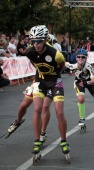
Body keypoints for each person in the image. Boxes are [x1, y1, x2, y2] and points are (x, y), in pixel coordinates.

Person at [23, 25, 70, 155]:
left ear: (45, 40)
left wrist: (54, 74)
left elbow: (62, 65)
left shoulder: (55, 53)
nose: (36, 44)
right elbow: (34, 62)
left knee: (59, 112)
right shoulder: (29, 52)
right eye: (33, 41)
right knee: (37, 109)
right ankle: (37, 140)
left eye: (39, 41)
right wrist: (40, 72)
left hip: (55, 81)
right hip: (40, 81)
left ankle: (64, 141)